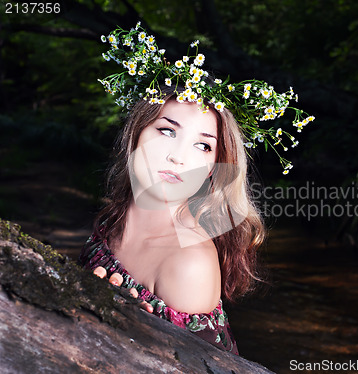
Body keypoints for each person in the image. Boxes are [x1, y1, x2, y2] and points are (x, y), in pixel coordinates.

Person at [79, 22, 314, 355]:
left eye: (203, 147)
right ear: (136, 136)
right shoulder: (114, 218)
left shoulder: (189, 265)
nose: (178, 157)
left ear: (213, 169)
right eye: (167, 131)